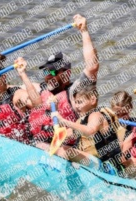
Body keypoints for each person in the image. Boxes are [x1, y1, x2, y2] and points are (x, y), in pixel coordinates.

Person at [18, 14, 99, 148]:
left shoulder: (75, 93)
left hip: (61, 150)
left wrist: (84, 31)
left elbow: (92, 67)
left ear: (66, 74)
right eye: (46, 71)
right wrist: (20, 72)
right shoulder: (39, 88)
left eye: (53, 72)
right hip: (32, 145)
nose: (48, 76)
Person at [54, 85, 123, 175]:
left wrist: (64, 121)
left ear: (92, 100)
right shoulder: (81, 121)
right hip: (94, 163)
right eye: (75, 102)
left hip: (107, 168)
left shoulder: (97, 115)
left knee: (65, 151)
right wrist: (55, 109)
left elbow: (90, 130)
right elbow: (62, 136)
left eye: (80, 102)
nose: (77, 106)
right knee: (59, 149)